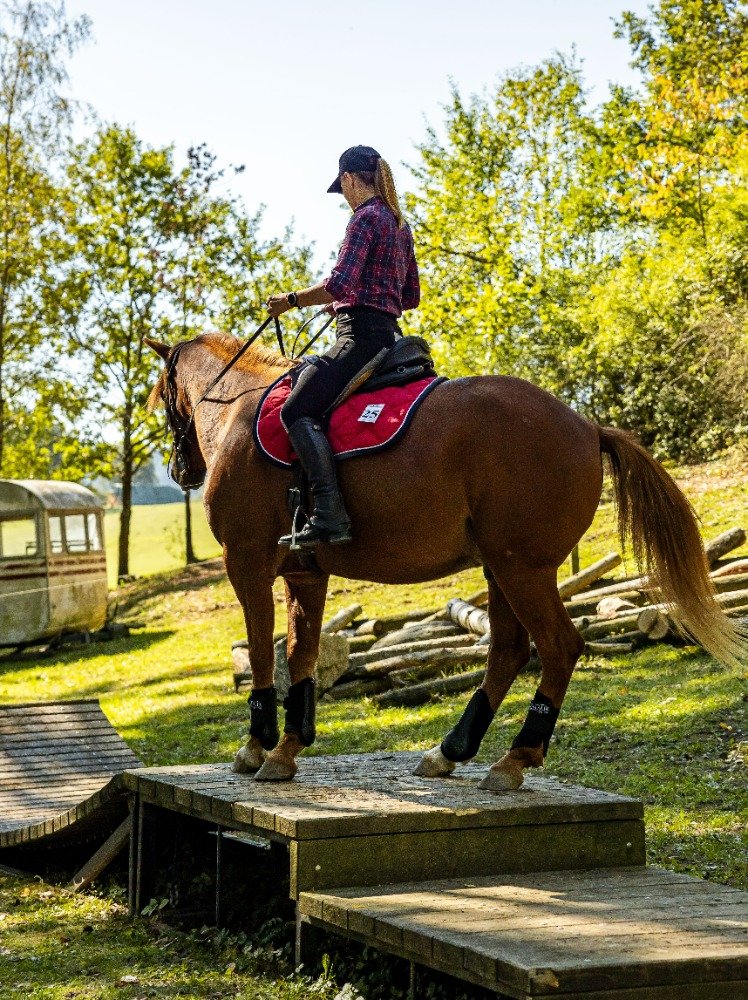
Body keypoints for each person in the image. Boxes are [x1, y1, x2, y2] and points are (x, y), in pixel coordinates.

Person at [266, 145, 420, 549]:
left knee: (296, 408)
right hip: (388, 334)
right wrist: (355, 300)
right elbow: (410, 296)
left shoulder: (363, 220)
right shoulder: (400, 224)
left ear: (350, 179)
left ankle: (330, 513)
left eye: (344, 188)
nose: (345, 197)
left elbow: (339, 284)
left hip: (358, 339)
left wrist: (291, 300)